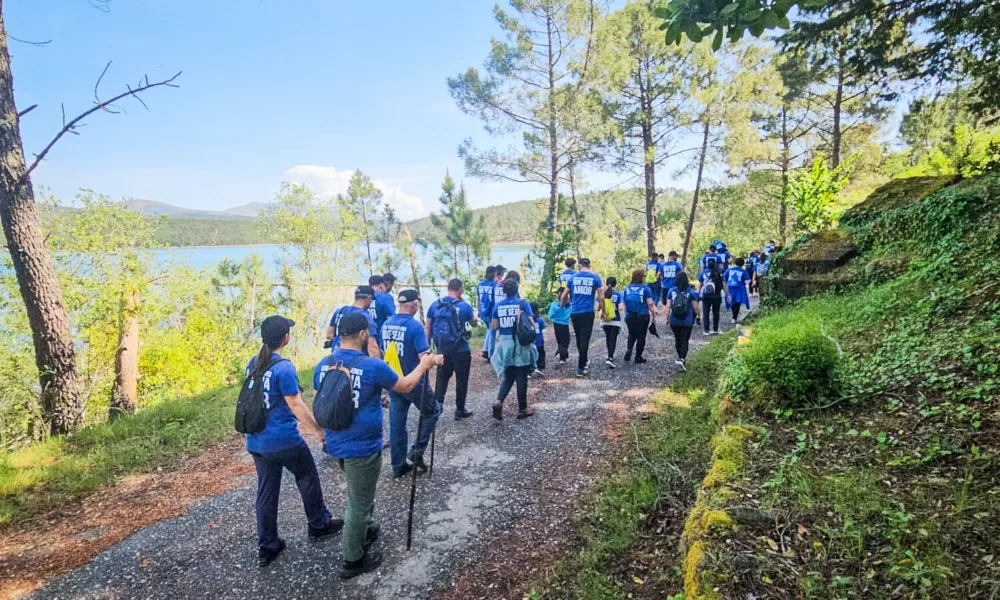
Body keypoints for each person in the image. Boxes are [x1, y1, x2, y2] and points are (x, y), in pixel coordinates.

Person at [315, 312, 440, 579]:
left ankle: (365, 528)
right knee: (358, 503)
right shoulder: (372, 366)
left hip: (335, 441)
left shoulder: (324, 364)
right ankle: (353, 558)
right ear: (362, 334)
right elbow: (405, 385)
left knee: (358, 492)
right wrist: (424, 366)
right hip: (362, 446)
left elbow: (322, 397)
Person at [244, 316, 342, 568]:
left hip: (256, 441)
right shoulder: (284, 368)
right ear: (286, 338)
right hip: (283, 440)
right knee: (307, 476)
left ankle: (268, 544)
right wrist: (319, 431)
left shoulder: (253, 363)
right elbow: (296, 404)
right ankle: (318, 524)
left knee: (266, 490)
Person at [381, 290, 439, 479]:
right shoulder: (414, 327)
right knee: (432, 411)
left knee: (397, 424)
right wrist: (436, 359)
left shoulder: (386, 325)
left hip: (393, 381)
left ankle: (398, 465)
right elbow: (424, 358)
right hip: (414, 382)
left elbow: (384, 352)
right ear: (414, 305)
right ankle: (416, 450)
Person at [428, 278, 478, 420]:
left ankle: (437, 408)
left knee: (442, 379)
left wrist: (428, 349)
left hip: (442, 350)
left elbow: (428, 327)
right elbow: (474, 323)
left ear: (448, 289)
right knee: (462, 380)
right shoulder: (464, 306)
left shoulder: (435, 305)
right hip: (461, 349)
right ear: (460, 290)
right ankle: (460, 410)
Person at [491, 278, 537, 419]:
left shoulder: (498, 306)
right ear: (517, 288)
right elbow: (531, 323)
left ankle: (499, 401)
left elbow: (494, 327)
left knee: (509, 375)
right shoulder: (522, 303)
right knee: (521, 376)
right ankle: (522, 409)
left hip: (505, 343)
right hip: (520, 343)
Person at [560, 258, 605, 377]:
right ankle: (581, 367)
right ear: (589, 266)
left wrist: (563, 304)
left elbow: (564, 295)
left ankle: (583, 360)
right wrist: (603, 311)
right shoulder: (595, 278)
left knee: (579, 338)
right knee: (585, 338)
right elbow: (601, 297)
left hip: (575, 312)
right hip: (587, 312)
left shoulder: (573, 278)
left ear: (580, 266)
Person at [328, 286, 381, 357]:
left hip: (336, 354)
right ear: (369, 298)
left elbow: (329, 335)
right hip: (355, 358)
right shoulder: (365, 317)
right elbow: (372, 348)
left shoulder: (339, 311)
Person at [665, 272, 701, 371]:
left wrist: (666, 318)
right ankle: (682, 358)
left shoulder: (671, 291)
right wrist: (698, 316)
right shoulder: (691, 292)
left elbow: (668, 306)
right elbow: (696, 307)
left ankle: (680, 358)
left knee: (677, 339)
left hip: (674, 319)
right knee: (685, 339)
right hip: (687, 320)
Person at [622, 269, 656, 364]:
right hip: (642, 315)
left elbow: (624, 303)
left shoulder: (627, 288)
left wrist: (626, 315)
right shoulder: (645, 288)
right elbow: (650, 304)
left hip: (630, 315)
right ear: (642, 278)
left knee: (632, 334)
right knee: (641, 336)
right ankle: (638, 356)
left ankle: (629, 350)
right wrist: (654, 315)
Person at [601, 277, 624, 368]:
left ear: (606, 283)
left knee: (608, 338)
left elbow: (598, 307)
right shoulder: (619, 294)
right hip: (615, 320)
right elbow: (621, 308)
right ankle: (610, 357)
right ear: (615, 284)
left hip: (605, 320)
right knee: (613, 339)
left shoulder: (603, 294)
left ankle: (609, 355)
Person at [724, 257, 752, 323]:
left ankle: (734, 316)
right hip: (739, 289)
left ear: (735, 263)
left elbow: (724, 277)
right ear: (743, 264)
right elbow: (748, 281)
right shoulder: (743, 271)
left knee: (732, 301)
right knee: (737, 303)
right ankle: (734, 317)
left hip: (730, 288)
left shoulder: (729, 270)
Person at [547, 288, 571, 365]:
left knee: (561, 341)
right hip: (561, 324)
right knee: (564, 342)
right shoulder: (555, 304)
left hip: (559, 324)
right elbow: (550, 316)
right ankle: (562, 358)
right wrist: (560, 306)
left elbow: (551, 315)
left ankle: (563, 355)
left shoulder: (569, 305)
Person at [699, 260, 724, 335]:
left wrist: (699, 293)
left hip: (706, 296)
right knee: (716, 312)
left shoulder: (703, 273)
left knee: (706, 312)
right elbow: (722, 284)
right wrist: (727, 293)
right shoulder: (719, 273)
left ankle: (706, 330)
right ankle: (715, 329)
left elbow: (700, 284)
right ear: (715, 265)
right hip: (716, 295)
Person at [368, 275, 396, 342]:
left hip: (366, 338)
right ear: (381, 285)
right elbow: (391, 320)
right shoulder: (385, 297)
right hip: (380, 338)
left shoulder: (364, 297)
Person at [478, 266, 497, 360]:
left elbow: (478, 298)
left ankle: (485, 350)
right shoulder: (494, 285)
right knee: (492, 333)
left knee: (489, 330)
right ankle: (491, 354)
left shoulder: (480, 284)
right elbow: (495, 299)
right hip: (491, 312)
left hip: (483, 311)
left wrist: (478, 310)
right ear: (493, 273)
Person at [530, 302, 546, 375]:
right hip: (539, 342)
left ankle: (531, 369)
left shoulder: (528, 320)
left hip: (530, 342)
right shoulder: (540, 320)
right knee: (541, 354)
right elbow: (544, 331)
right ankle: (540, 367)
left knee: (531, 355)